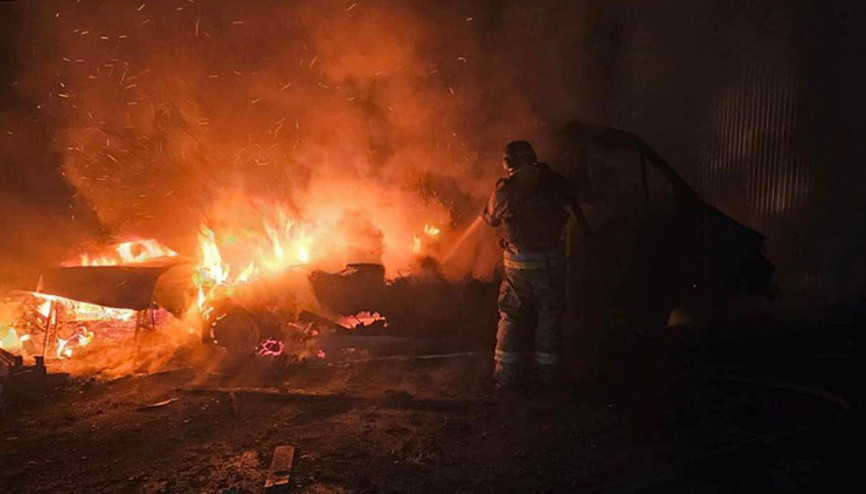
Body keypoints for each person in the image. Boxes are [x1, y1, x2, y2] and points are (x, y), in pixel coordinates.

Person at [481, 140, 589, 390]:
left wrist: (486, 209)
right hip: (550, 266)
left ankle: (506, 375)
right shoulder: (551, 182)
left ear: (508, 163)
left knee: (511, 316)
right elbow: (574, 194)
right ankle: (547, 375)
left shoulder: (505, 190)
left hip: (517, 269)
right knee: (549, 316)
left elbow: (491, 218)